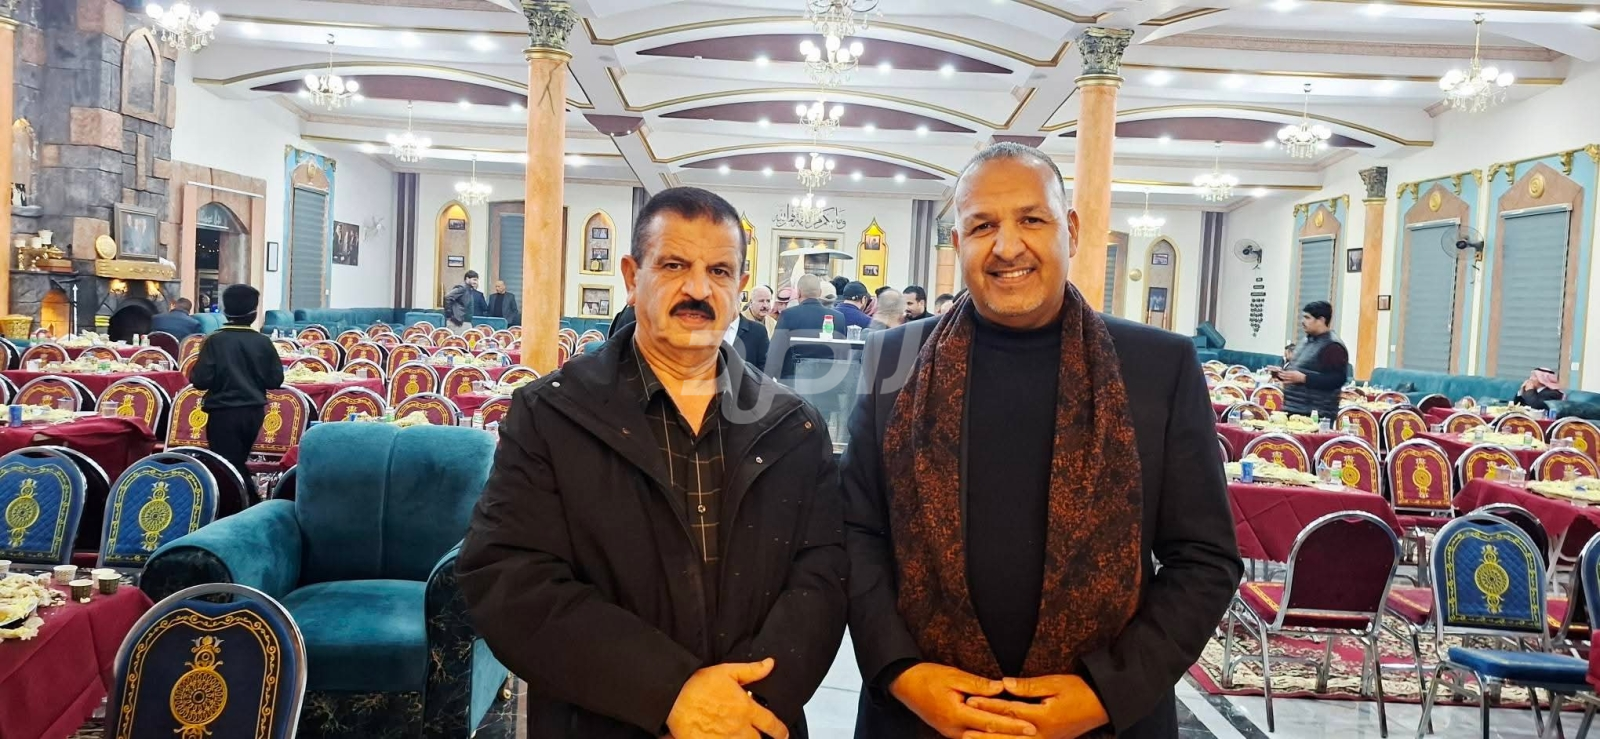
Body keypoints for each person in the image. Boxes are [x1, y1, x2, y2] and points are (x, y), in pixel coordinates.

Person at [844, 143, 1241, 739]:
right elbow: (856, 533)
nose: (1007, 247)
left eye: (1032, 219)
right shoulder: (893, 359)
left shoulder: (1158, 367)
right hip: (919, 718)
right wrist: (901, 672)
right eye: (983, 225)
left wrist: (1107, 692)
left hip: (1106, 722)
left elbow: (1204, 558)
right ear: (957, 242)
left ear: (1071, 230)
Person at [458, 186, 847, 739]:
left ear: (739, 286)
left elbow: (822, 576)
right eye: (673, 265)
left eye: (718, 271)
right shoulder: (553, 415)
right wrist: (669, 692)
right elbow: (510, 578)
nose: (698, 289)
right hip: (601, 721)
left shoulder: (792, 425)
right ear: (631, 275)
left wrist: (747, 707)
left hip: (755, 724)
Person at [189, 285, 284, 484]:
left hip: (223, 411)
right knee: (236, 462)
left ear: (225, 311)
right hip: (254, 412)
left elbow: (200, 380)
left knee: (227, 466)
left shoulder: (214, 341)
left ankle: (244, 499)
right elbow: (275, 380)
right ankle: (245, 497)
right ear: (254, 313)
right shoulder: (263, 342)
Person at [765, 273, 847, 379]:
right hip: (828, 383)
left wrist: (767, 380)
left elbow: (775, 353)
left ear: (798, 293)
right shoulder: (838, 318)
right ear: (820, 293)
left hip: (792, 382)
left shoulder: (788, 315)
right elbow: (843, 356)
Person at [1275, 300, 1349, 418]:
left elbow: (1337, 379)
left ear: (1321, 320)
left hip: (1315, 414)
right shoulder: (1305, 341)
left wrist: (1304, 378)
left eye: (1307, 318)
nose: (1302, 321)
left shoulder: (1332, 346)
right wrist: (1282, 374)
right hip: (1294, 408)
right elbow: (1301, 369)